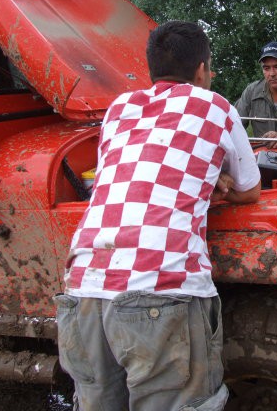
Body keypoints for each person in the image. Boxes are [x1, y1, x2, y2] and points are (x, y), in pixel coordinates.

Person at [55, 21, 261, 411]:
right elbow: (250, 188)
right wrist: (219, 181)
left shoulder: (118, 109)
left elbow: (130, 172)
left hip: (83, 289)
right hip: (162, 288)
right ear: (202, 69)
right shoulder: (215, 105)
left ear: (151, 68)